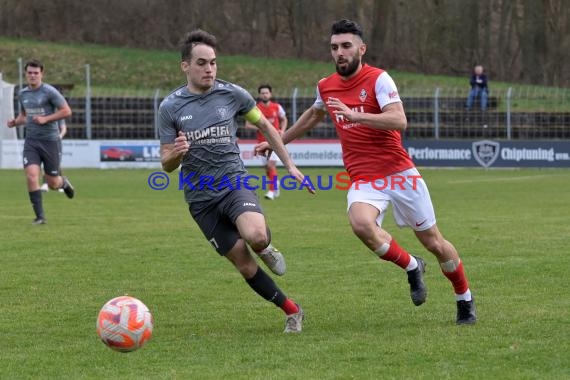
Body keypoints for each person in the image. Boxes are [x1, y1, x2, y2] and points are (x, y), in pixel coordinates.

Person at [256, 19, 476, 325]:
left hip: (399, 173)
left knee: (434, 242)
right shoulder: (326, 85)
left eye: (346, 46)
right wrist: (276, 141)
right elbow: (313, 115)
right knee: (361, 224)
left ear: (362, 48)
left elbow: (399, 120)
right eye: (334, 47)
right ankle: (412, 266)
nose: (340, 53)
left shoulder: (379, 80)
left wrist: (356, 116)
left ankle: (464, 298)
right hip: (363, 177)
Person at [158, 30, 313, 333]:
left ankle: (266, 246)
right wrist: (176, 154)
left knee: (255, 236)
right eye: (202, 63)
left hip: (233, 183)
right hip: (200, 200)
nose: (210, 70)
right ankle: (292, 310)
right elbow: (165, 164)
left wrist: (290, 166)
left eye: (213, 63)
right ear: (185, 66)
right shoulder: (170, 107)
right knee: (244, 264)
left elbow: (267, 126)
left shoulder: (233, 94)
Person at [6, 59, 75, 225]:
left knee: (52, 183)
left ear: (41, 74)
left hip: (50, 141)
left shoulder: (50, 92)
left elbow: (67, 111)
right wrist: (15, 122)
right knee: (31, 176)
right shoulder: (23, 94)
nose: (32, 75)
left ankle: (63, 183)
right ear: (25, 74)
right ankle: (40, 217)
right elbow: (25, 116)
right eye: (29, 72)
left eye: (36, 73)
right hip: (31, 141)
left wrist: (46, 119)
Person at [245, 84, 288, 200]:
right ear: (260, 95)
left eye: (266, 92)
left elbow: (284, 119)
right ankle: (276, 184)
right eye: (262, 93)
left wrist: (283, 131)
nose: (265, 94)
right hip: (261, 142)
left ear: (270, 94)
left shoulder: (277, 107)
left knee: (271, 165)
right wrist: (260, 127)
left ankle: (271, 190)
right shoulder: (256, 108)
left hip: (275, 142)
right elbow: (248, 125)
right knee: (267, 168)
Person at [40, 118, 67, 193]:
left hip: (56, 143)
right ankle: (45, 184)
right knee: (44, 163)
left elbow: (64, 128)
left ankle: (61, 183)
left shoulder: (59, 115)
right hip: (44, 142)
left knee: (57, 163)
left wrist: (60, 136)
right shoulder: (44, 114)